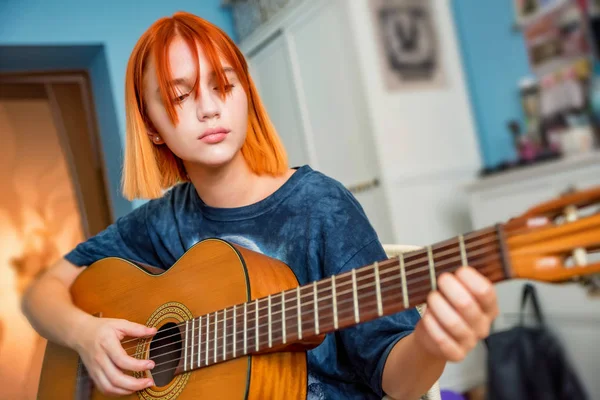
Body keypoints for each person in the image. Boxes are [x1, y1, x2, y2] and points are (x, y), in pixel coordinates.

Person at [22, 11, 499, 400]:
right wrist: (85, 334)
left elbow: (397, 380)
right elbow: (42, 293)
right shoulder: (162, 221)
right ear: (151, 127)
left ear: (246, 93)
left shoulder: (320, 207)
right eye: (179, 95)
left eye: (224, 85)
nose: (208, 108)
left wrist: (431, 344)